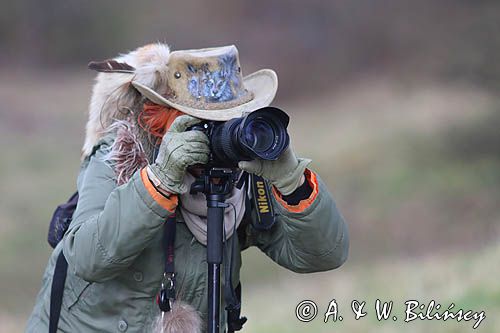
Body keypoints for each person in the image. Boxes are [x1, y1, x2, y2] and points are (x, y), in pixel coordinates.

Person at [26, 43, 349, 333]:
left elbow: (323, 255)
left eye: (232, 119)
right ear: (161, 117)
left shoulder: (242, 170)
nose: (220, 133)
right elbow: (87, 259)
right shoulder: (122, 153)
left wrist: (291, 181)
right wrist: (160, 180)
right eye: (202, 121)